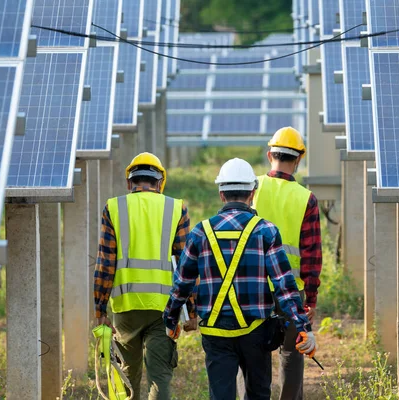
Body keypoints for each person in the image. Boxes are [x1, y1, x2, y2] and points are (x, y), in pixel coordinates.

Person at [163, 158, 316, 400]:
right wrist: (302, 326)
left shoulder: (200, 233)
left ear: (221, 194)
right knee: (257, 394)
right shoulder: (265, 231)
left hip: (216, 334)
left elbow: (182, 284)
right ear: (252, 193)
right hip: (256, 332)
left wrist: (171, 318)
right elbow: (284, 286)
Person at [94, 152, 192, 400]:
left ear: (130, 183)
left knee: (127, 375)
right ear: (160, 183)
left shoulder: (113, 208)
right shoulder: (176, 208)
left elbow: (105, 262)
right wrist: (191, 309)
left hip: (126, 308)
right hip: (164, 308)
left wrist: (100, 310)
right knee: (160, 377)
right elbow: (185, 264)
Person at [253, 127, 323, 400]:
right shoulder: (306, 199)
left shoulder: (252, 188)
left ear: (270, 154)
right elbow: (312, 254)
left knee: (252, 352)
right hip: (291, 291)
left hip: (252, 287)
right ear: (299, 160)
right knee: (292, 353)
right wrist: (311, 300)